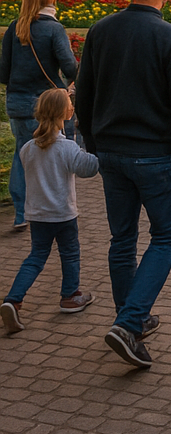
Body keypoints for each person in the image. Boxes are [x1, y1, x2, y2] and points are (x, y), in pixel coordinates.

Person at [75, 0, 171, 369]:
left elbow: (85, 94)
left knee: (122, 240)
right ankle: (129, 323)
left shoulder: (100, 31)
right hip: (154, 154)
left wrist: (94, 143)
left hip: (111, 151)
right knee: (165, 238)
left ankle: (132, 320)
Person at [1, 88, 99, 334]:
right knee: (69, 252)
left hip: (37, 214)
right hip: (63, 213)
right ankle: (70, 295)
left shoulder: (27, 149)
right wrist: (96, 149)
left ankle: (13, 299)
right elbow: (89, 168)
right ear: (65, 114)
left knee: (36, 257)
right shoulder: (66, 148)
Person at [0, 0, 78, 232]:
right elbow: (69, 66)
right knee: (52, 154)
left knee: (22, 153)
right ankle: (52, 210)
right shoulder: (54, 28)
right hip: (45, 104)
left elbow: (3, 73)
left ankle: (21, 212)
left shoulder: (14, 27)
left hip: (16, 103)